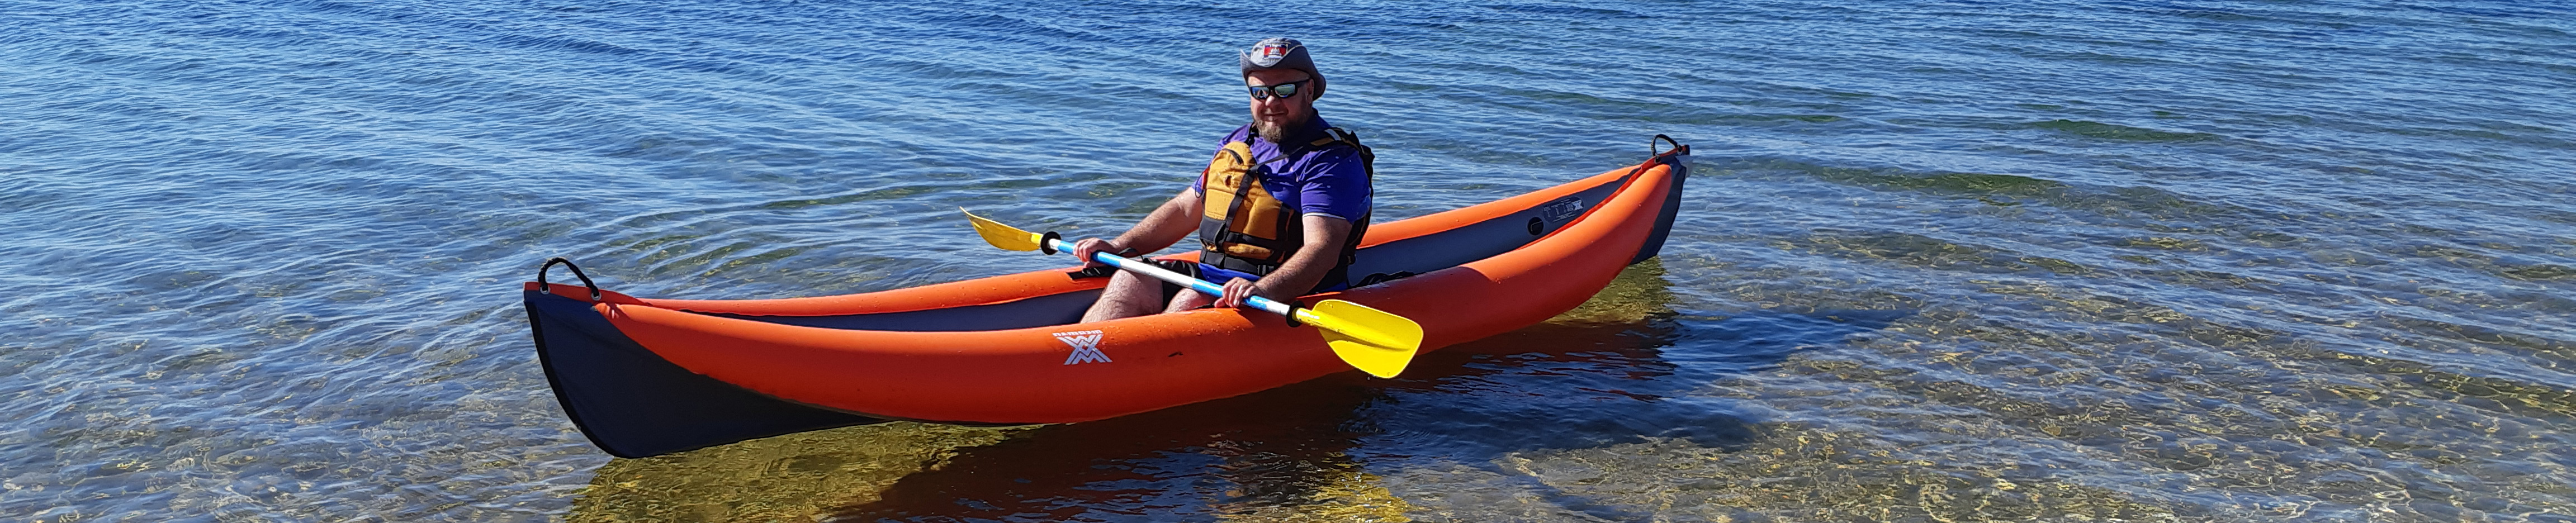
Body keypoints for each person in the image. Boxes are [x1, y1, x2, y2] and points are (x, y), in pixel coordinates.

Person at [1073, 37, 1375, 323]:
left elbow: (1322, 251)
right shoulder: (1239, 141)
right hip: (1213, 278)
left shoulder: (1332, 160)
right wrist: (1119, 246)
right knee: (1129, 278)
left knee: (1189, 301)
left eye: (1284, 90)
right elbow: (1186, 209)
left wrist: (1264, 290)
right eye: (1260, 92)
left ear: (1309, 91)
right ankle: (1081, 352)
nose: (1271, 102)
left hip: (1278, 292)